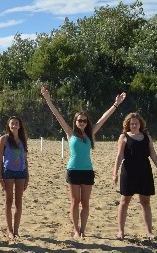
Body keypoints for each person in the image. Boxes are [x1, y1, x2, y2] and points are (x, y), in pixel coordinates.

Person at [41, 86, 126, 238]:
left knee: (85, 203)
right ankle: (76, 230)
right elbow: (58, 116)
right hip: (73, 170)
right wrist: (48, 99)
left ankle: (83, 230)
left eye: (84, 121)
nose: (82, 122)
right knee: (75, 202)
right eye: (80, 120)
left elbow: (103, 119)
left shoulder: (90, 134)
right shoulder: (70, 133)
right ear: (75, 121)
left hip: (87, 171)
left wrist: (116, 104)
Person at [113, 113, 157, 239]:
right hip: (129, 172)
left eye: (136, 123)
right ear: (128, 124)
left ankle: (149, 232)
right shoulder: (124, 137)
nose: (134, 125)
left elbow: (153, 155)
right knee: (124, 201)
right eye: (132, 123)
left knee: (145, 202)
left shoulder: (147, 137)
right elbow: (119, 156)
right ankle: (121, 231)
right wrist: (114, 173)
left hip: (145, 172)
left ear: (140, 124)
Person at [0, 116, 29, 239]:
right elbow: (0, 158)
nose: (14, 125)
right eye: (12, 123)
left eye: (16, 123)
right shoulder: (4, 139)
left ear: (19, 125)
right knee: (9, 201)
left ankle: (16, 231)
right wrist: (0, 175)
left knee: (18, 202)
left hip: (21, 172)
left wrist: (27, 175)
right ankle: (9, 230)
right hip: (8, 172)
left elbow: (25, 159)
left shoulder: (22, 140)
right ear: (8, 125)